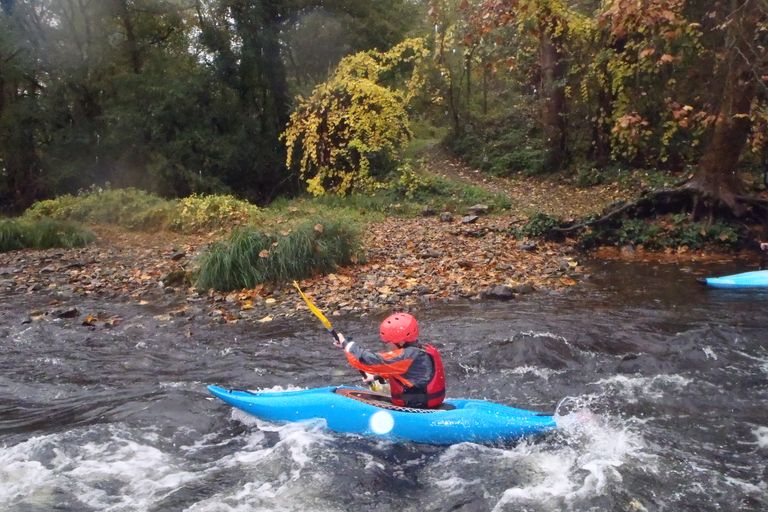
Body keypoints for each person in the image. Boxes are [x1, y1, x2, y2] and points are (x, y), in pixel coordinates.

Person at [333, 312, 446, 409]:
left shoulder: (406, 356)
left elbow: (368, 360)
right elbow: (410, 374)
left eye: (388, 342)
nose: (387, 345)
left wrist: (346, 344)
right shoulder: (421, 350)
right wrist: (377, 376)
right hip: (430, 402)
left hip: (417, 406)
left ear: (401, 342)